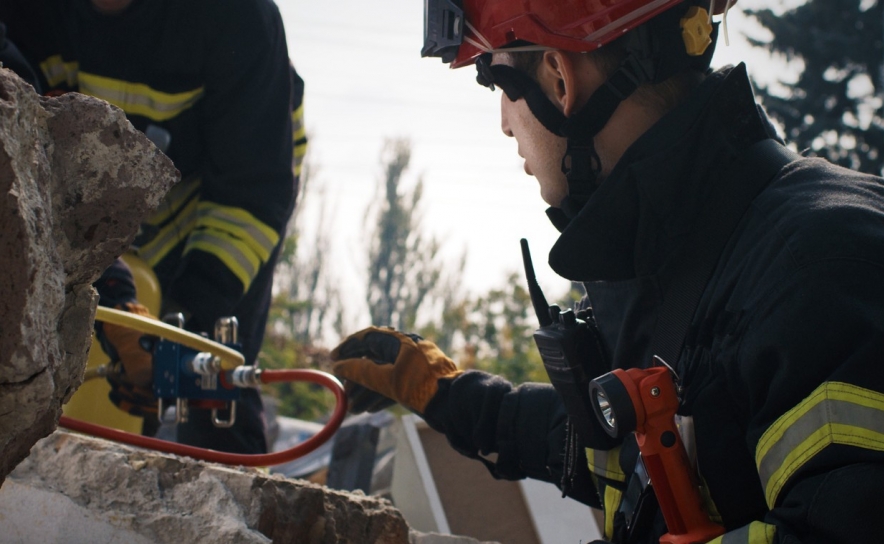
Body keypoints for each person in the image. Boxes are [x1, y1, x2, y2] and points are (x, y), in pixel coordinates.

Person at [330, 0, 884, 542]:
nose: (503, 123)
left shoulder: (822, 269)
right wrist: (451, 398)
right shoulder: (697, 255)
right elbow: (633, 450)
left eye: (495, 81)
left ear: (558, 77)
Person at [0, 0, 305, 454]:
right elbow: (28, 178)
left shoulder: (239, 18)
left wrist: (188, 329)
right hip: (73, 193)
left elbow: (249, 196)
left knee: (212, 372)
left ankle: (229, 500)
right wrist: (115, 289)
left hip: (219, 204)